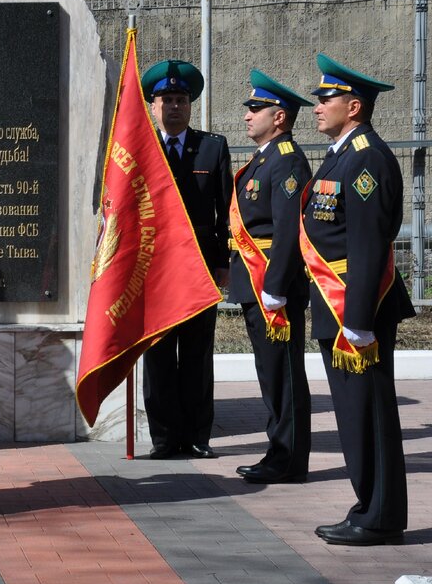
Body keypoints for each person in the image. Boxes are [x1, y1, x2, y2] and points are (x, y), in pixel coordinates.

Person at [302, 53, 413, 546]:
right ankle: (368, 505)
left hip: (355, 309)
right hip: (337, 304)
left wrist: (360, 319)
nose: (318, 107)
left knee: (368, 411)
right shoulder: (343, 153)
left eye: (326, 99)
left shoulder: (366, 156)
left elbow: (369, 242)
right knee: (353, 414)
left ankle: (380, 515)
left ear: (354, 105)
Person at [139, 59, 233, 459]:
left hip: (199, 267)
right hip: (155, 270)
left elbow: (226, 209)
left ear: (190, 105)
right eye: (166, 100)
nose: (174, 106)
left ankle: (197, 435)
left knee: (197, 354)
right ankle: (164, 438)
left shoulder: (212, 147)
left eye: (181, 99)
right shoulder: (140, 150)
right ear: (152, 105)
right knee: (159, 354)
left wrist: (223, 262)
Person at [227, 70, 312, 484]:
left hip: (272, 287)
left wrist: (275, 287)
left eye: (256, 109)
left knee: (284, 375)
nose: (248, 115)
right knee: (270, 374)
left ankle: (289, 458)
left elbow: (287, 231)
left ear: (279, 117)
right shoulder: (265, 159)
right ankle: (278, 451)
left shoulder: (288, 159)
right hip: (256, 283)